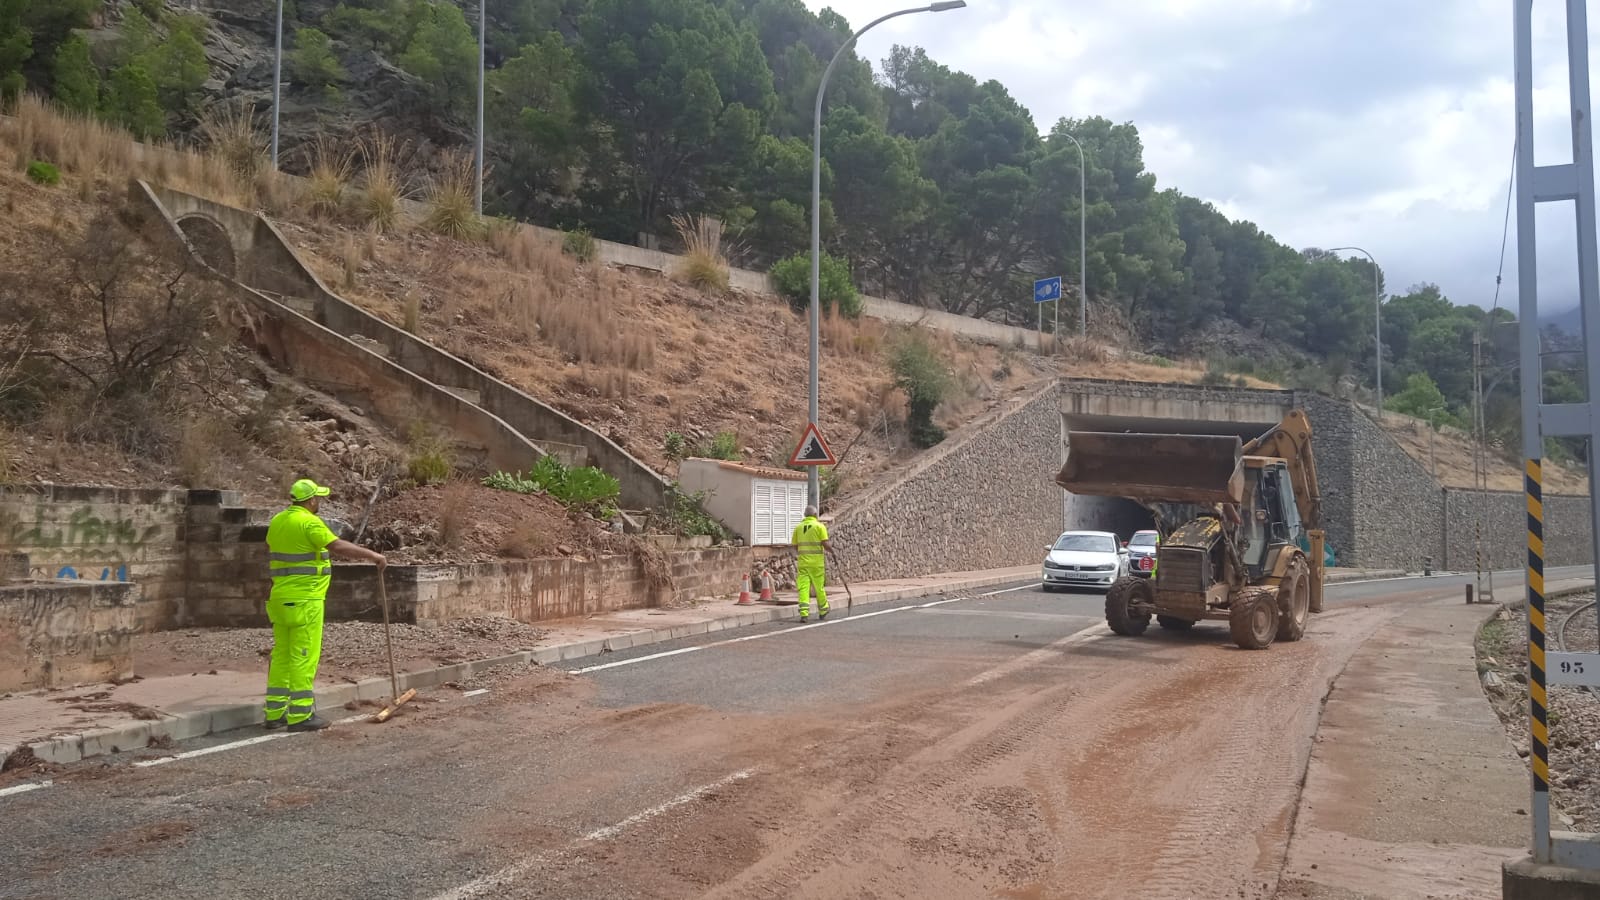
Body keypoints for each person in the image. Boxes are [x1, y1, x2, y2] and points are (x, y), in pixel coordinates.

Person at [263, 478, 387, 732]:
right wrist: (372, 555)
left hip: (279, 597)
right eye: (317, 498)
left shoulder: (277, 521)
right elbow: (337, 545)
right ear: (310, 500)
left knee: (282, 656)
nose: (318, 501)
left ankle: (274, 713)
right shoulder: (309, 522)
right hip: (306, 600)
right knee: (304, 657)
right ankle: (300, 716)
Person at [791, 505, 835, 623]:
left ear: (805, 515)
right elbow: (825, 544)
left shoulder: (798, 528)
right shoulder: (820, 527)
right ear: (815, 515)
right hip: (816, 564)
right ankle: (823, 610)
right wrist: (832, 551)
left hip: (803, 563)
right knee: (819, 587)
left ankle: (804, 613)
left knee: (803, 588)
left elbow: (795, 546)